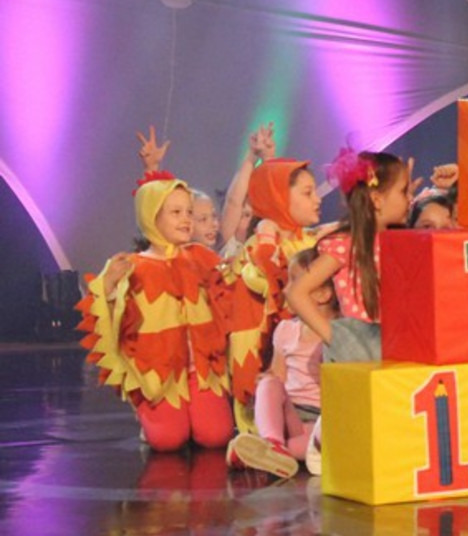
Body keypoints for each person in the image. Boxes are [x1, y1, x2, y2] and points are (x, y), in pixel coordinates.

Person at [77, 168, 234, 452]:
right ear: (152, 217)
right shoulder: (134, 266)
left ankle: (195, 411)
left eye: (188, 212)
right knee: (168, 441)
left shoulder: (201, 257)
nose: (186, 219)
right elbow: (106, 315)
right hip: (160, 377)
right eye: (176, 212)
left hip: (201, 370)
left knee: (216, 436)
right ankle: (153, 413)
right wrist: (110, 286)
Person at [285, 148, 415, 474]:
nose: (409, 198)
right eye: (403, 191)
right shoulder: (345, 244)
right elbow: (296, 292)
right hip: (357, 343)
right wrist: (334, 335)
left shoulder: (401, 241)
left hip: (390, 342)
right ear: (377, 199)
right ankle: (321, 438)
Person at [222, 157, 322, 433]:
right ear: (279, 199)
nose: (317, 200)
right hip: (266, 359)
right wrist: (267, 240)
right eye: (307, 193)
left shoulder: (312, 242)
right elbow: (274, 287)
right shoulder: (258, 247)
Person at [226, 249, 336, 479]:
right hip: (290, 413)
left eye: (294, 281)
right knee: (269, 384)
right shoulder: (286, 329)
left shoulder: (338, 333)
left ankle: (264, 454)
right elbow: (278, 375)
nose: (286, 290)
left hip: (320, 419)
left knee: (318, 443)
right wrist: (264, 382)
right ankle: (272, 443)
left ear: (323, 294)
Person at [219, 124, 277, 260]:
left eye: (254, 215)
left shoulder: (272, 247)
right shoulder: (231, 246)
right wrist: (252, 156)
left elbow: (275, 198)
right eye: (245, 215)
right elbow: (234, 202)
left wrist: (268, 158)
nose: (251, 221)